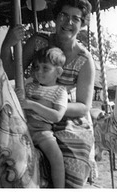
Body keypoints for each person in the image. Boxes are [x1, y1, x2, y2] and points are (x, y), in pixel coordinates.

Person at [0, 0, 96, 188]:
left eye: (75, 18)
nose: (68, 22)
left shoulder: (84, 60)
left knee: (68, 163)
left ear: (82, 24)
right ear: (56, 16)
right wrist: (8, 43)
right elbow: (10, 72)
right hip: (31, 113)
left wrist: (44, 105)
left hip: (65, 119)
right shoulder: (38, 42)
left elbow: (84, 106)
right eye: (63, 15)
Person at [16, 46, 68, 188]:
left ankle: (59, 188)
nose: (39, 71)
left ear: (58, 72)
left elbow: (57, 116)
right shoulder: (29, 86)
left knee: (57, 158)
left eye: (45, 68)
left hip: (42, 132)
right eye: (36, 67)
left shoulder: (60, 91)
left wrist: (32, 105)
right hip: (21, 129)